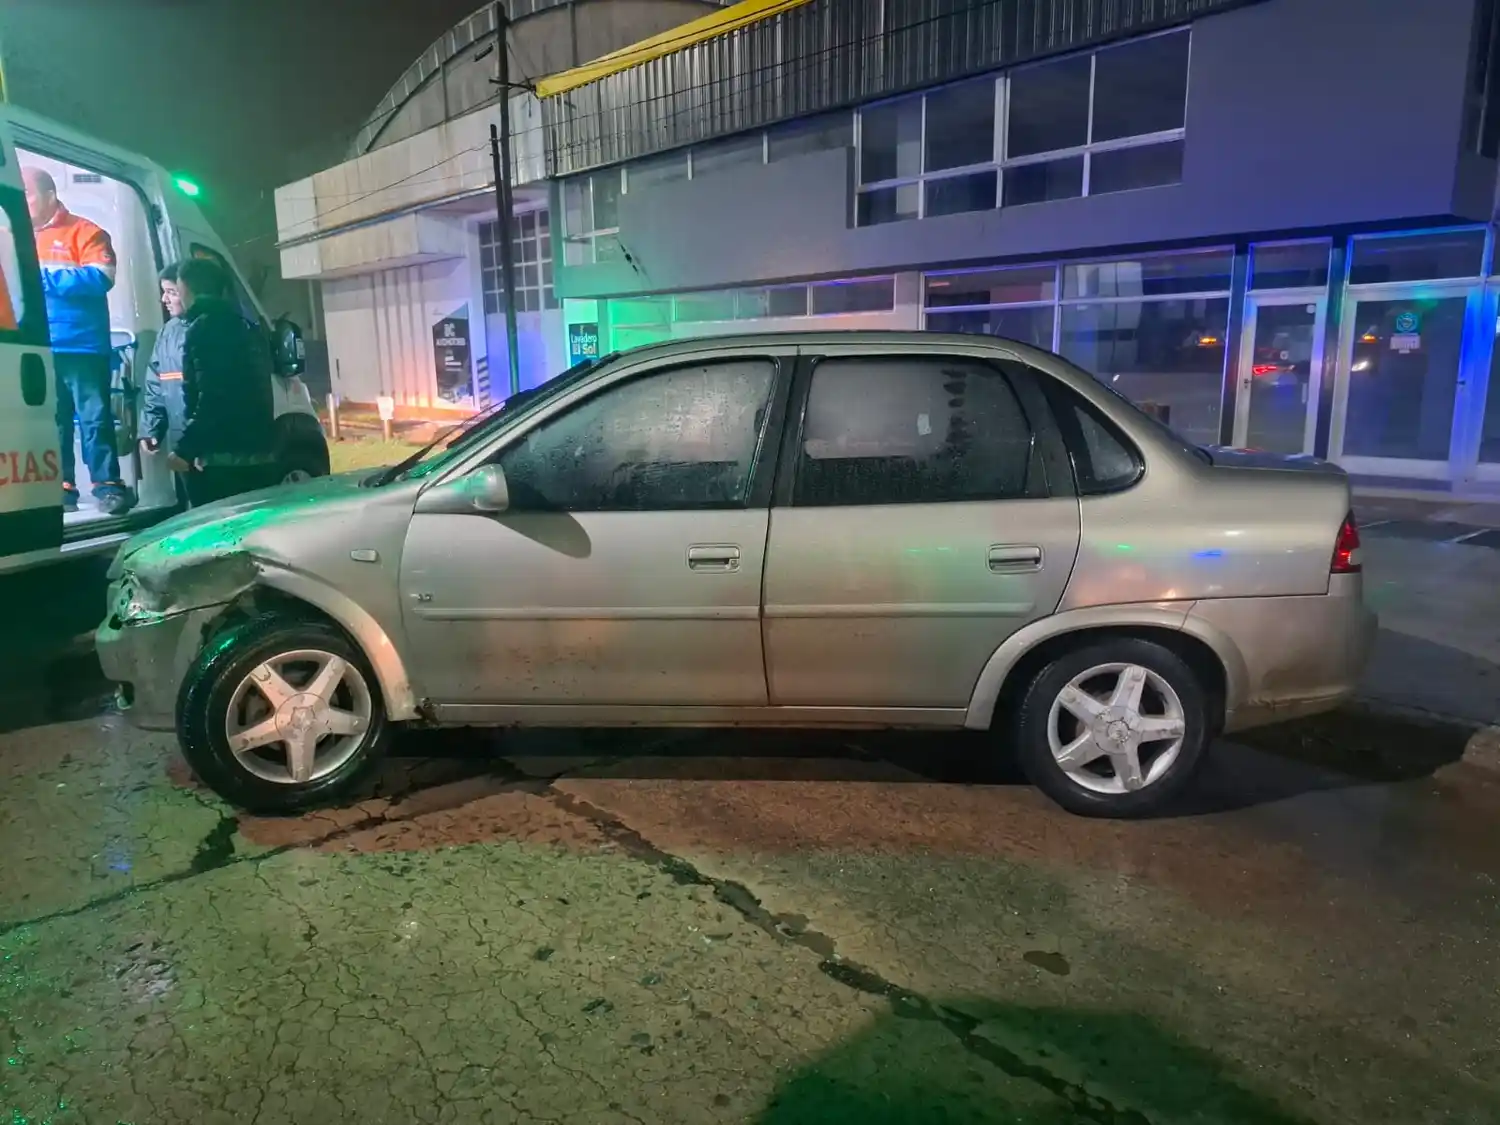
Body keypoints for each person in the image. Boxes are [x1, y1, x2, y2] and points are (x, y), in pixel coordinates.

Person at [22, 166, 133, 515]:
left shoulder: (86, 232)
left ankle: (107, 487)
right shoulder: (17, 237)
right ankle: (61, 488)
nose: (22, 202)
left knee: (94, 419)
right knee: (52, 421)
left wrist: (41, 278)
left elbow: (101, 277)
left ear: (50, 196)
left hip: (83, 346)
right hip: (39, 348)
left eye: (28, 194)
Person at [166, 255, 278, 507]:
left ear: (187, 287)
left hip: (225, 462)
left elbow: (213, 396)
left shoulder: (205, 328)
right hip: (257, 453)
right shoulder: (244, 326)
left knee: (218, 536)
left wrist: (186, 448)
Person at [140, 263, 189, 504]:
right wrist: (151, 428)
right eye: (164, 292)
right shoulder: (168, 332)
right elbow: (155, 384)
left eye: (171, 292)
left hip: (208, 449)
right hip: (182, 443)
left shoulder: (208, 328)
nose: (164, 299)